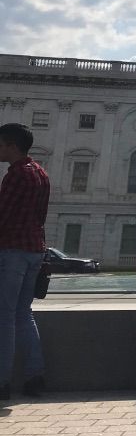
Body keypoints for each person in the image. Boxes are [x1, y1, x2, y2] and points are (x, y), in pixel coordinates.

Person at [0, 123, 49, 401]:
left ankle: (2, 382)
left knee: (4, 317)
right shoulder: (41, 173)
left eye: (1, 145)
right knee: (23, 313)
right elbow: (40, 216)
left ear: (12, 147)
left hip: (13, 251)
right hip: (34, 251)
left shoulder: (16, 175)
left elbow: (2, 215)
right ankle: (34, 376)